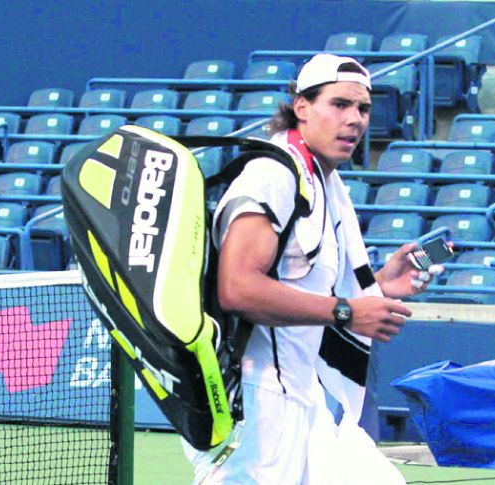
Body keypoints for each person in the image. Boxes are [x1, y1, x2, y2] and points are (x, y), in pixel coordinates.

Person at [182, 53, 443, 485]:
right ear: (301, 107)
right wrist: (346, 311)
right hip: (254, 399)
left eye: (362, 108)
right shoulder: (272, 175)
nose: (355, 120)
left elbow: (303, 283)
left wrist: (379, 286)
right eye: (339, 105)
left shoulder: (322, 182)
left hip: (304, 397)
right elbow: (236, 288)